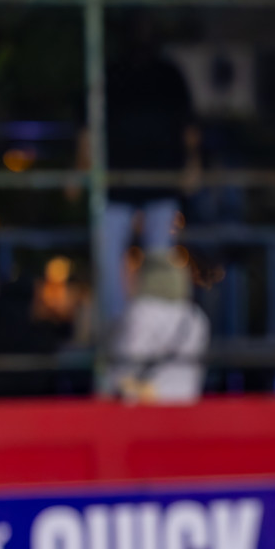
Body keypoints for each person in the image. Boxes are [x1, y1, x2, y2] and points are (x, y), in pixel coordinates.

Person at [76, 25, 201, 325]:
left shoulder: (169, 74)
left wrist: (193, 165)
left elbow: (189, 128)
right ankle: (117, 331)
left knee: (159, 265)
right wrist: (80, 170)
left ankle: (154, 329)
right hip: (116, 186)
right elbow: (87, 129)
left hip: (161, 185)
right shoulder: (111, 73)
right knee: (108, 265)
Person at [107, 250, 210, 404]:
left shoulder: (141, 311)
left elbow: (125, 365)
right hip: (185, 405)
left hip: (146, 406)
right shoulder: (197, 317)